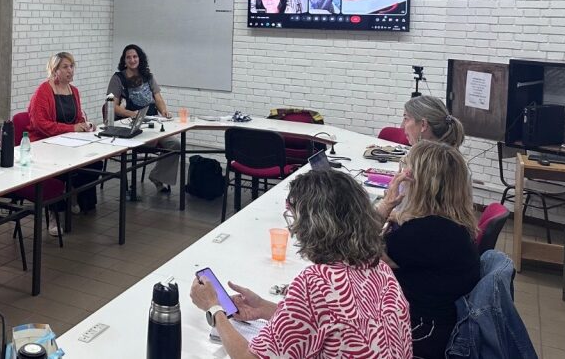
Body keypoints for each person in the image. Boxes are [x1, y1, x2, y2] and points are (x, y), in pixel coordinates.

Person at [190, 170, 411, 358]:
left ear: (311, 224)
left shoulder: (316, 283)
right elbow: (334, 321)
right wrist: (264, 308)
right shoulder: (380, 269)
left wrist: (214, 308)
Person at [379, 141, 481, 359]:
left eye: (405, 170)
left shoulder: (421, 233)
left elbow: (355, 249)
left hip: (422, 331)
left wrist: (387, 204)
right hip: (441, 323)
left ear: (420, 184)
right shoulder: (451, 224)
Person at [28, 52, 101, 212]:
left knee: (96, 163)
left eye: (72, 66)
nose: (70, 71)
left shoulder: (73, 91)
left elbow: (77, 118)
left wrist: (85, 125)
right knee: (59, 169)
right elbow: (40, 124)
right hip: (44, 144)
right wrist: (72, 128)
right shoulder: (44, 91)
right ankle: (55, 213)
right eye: (65, 67)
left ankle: (76, 195)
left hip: (67, 142)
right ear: (55, 71)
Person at [107, 45, 179, 193]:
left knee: (175, 145)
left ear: (140, 58)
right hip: (131, 125)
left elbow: (158, 98)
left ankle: (157, 176)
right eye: (128, 57)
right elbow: (113, 106)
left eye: (135, 56)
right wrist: (132, 114)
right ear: (124, 60)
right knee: (150, 142)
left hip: (153, 123)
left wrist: (164, 111)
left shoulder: (148, 76)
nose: (132, 60)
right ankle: (129, 188)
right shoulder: (118, 79)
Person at [401, 95, 465, 147]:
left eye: (406, 118)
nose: (402, 126)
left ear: (423, 125)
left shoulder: (424, 162)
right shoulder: (447, 156)